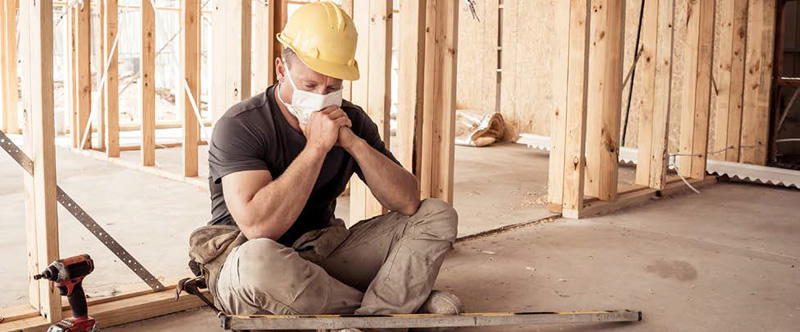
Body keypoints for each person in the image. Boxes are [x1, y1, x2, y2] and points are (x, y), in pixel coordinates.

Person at [201, 1, 462, 322]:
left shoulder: (350, 120)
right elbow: (258, 227)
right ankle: (400, 309)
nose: (322, 96)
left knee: (437, 214)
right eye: (310, 86)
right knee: (260, 262)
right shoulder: (240, 125)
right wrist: (316, 148)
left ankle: (372, 319)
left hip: (321, 252)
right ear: (281, 70)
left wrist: (352, 142)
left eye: (333, 87)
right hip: (248, 266)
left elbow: (408, 201)